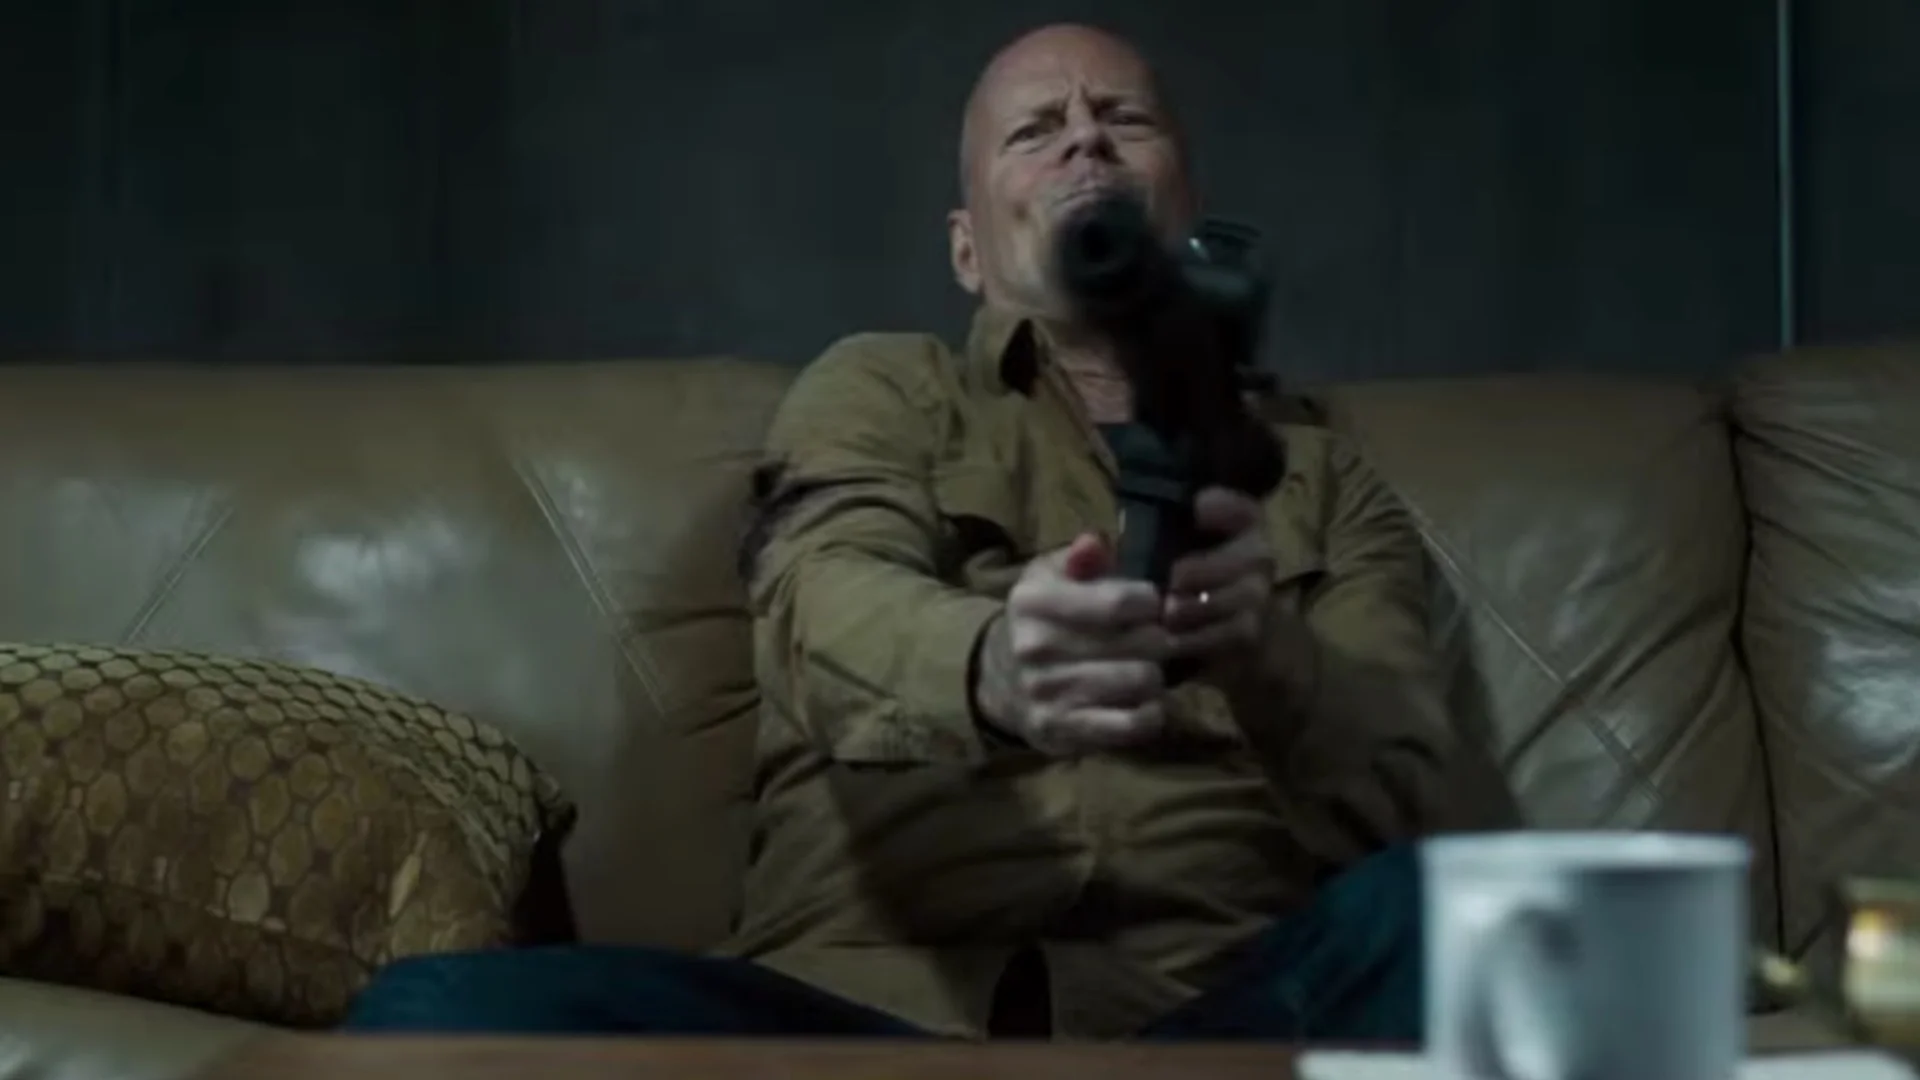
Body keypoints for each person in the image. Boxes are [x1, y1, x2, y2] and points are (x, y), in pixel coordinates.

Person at [342, 22, 1502, 1041]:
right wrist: (992, 665)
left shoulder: (1318, 476)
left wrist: (1269, 659)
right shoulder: (883, 391)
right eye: (1037, 130)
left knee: (1455, 925)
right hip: (857, 1024)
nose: (1086, 143)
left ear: (1185, 203)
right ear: (966, 251)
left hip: (1212, 1021)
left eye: (1124, 120)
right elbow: (819, 599)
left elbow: (1416, 796)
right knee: (435, 1017)